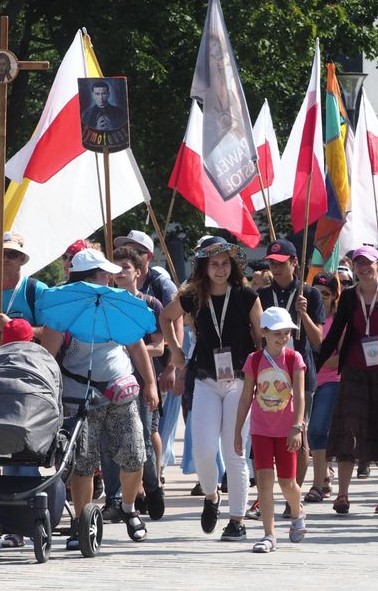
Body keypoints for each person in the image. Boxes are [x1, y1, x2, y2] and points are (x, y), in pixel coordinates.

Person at [40, 248, 160, 546]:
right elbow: (48, 356)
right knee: (82, 463)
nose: (111, 277)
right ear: (91, 278)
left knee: (135, 455)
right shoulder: (62, 309)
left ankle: (129, 508)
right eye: (105, 273)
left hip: (122, 393)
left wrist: (151, 384)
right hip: (78, 398)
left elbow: (136, 346)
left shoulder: (119, 303)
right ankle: (81, 523)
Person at [161, 236, 262, 542]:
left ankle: (237, 520)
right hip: (205, 378)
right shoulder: (192, 296)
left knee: (235, 452)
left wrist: (264, 377)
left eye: (225, 263)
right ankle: (211, 495)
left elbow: (261, 338)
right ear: (204, 267)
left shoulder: (246, 295)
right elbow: (166, 317)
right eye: (214, 264)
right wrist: (176, 351)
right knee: (203, 450)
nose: (220, 269)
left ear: (233, 266)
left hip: (240, 380)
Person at [316, 245, 378, 516]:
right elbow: (336, 333)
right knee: (348, 429)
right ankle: (342, 493)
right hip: (354, 371)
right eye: (358, 263)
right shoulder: (349, 296)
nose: (363, 268)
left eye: (368, 262)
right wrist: (314, 365)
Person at [99, 246, 167, 522]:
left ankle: (152, 487)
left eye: (125, 267)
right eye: (115, 268)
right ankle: (114, 498)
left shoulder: (151, 304)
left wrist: (130, 350)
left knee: (142, 441)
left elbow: (159, 346)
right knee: (108, 443)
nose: (120, 273)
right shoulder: (105, 302)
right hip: (110, 383)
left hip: (139, 382)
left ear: (138, 272)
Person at [234, 307, 308, 553]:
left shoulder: (294, 358)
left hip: (287, 430)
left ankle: (297, 512)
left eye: (287, 332)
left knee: (288, 483)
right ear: (263, 332)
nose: (283, 337)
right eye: (277, 332)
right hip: (261, 430)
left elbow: (300, 395)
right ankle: (269, 535)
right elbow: (246, 398)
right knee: (264, 483)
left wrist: (297, 427)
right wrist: (237, 431)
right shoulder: (254, 360)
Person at [257, 239, 325, 497]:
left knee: (299, 432)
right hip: (269, 372)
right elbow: (257, 335)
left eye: (281, 263)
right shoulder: (263, 295)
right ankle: (265, 495)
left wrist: (303, 314)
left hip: (299, 372)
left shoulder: (310, 294)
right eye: (272, 263)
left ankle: (292, 495)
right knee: (267, 432)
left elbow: (318, 340)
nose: (275, 268)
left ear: (294, 263)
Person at [305, 272, 341, 504]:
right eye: (316, 293)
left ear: (335, 296)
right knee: (308, 432)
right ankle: (325, 475)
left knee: (317, 430)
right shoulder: (305, 317)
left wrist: (316, 360)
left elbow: (342, 357)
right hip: (305, 380)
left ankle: (318, 484)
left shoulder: (339, 321)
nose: (320, 298)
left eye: (325, 294)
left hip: (331, 380)